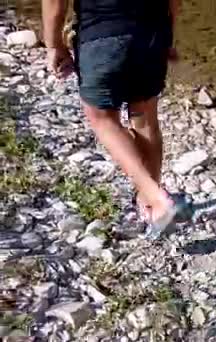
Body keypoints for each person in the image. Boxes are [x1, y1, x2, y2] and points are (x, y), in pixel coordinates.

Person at [41, 0, 185, 239]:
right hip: (152, 32)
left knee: (102, 118)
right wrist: (168, 35)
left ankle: (156, 197)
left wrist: (54, 45)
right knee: (144, 116)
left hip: (102, 36)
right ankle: (149, 205)